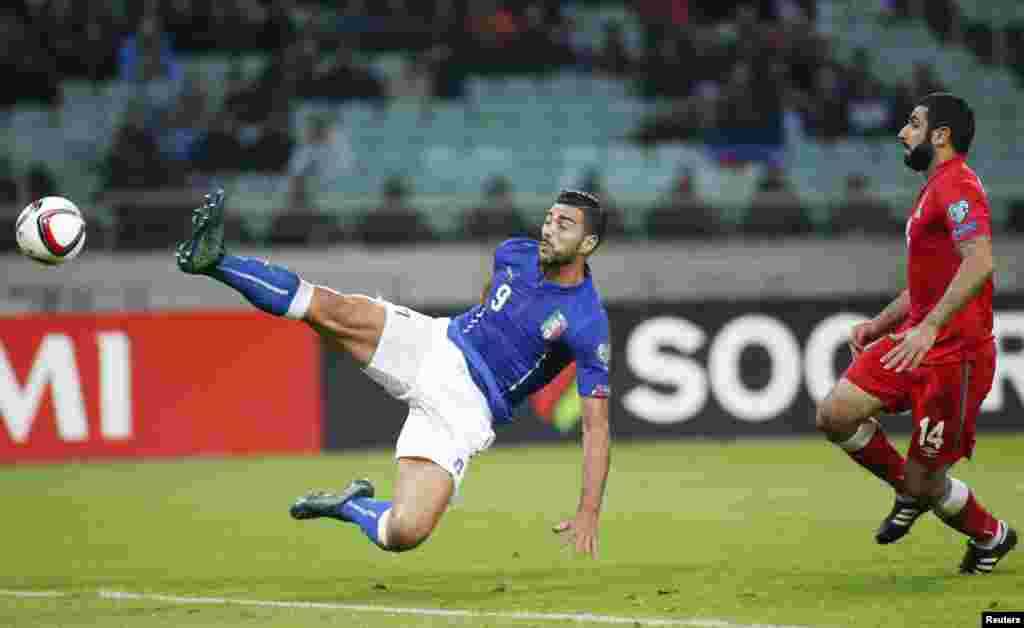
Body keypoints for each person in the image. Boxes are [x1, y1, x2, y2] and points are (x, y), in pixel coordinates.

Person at [175, 189, 612, 557]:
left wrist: (589, 510)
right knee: (329, 308)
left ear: (588, 243)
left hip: (466, 409)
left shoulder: (587, 321)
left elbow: (595, 427)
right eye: (549, 219)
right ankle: (215, 261)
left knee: (404, 532)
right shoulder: (515, 253)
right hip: (437, 345)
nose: (549, 229)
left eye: (564, 225)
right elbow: (491, 297)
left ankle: (350, 506)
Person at [815, 93, 1017, 574]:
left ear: (940, 135)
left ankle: (990, 535)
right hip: (914, 341)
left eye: (913, 124)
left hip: (954, 356)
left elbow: (980, 262)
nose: (902, 133)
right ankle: (912, 490)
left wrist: (929, 327)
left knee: (927, 483)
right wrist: (879, 324)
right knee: (835, 414)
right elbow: (928, 285)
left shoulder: (958, 185)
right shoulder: (935, 188)